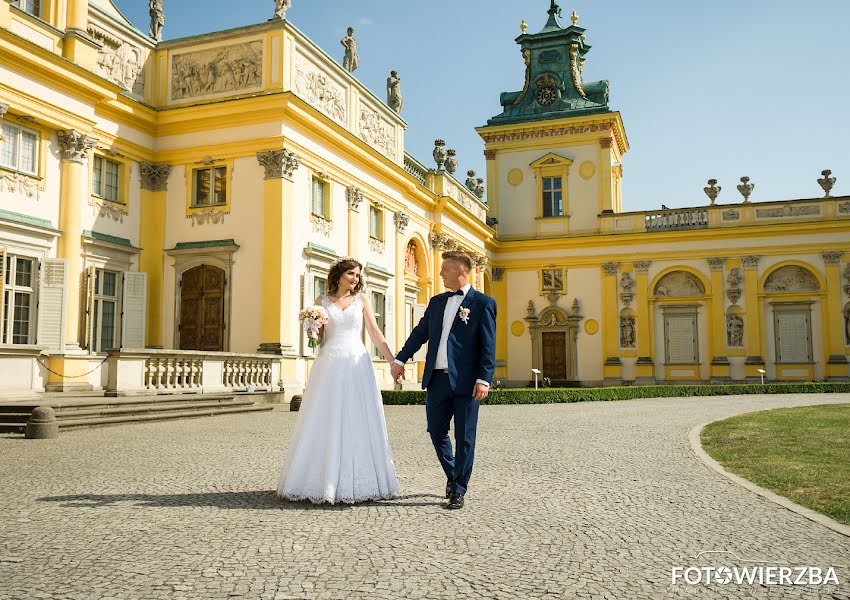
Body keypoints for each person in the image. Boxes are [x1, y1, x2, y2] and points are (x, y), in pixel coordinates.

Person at [277, 257, 398, 504]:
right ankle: (323, 480)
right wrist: (312, 328)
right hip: (329, 363)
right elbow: (317, 339)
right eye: (351, 274)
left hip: (356, 362)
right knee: (326, 417)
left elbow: (374, 332)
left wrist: (392, 360)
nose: (355, 279)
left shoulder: (362, 300)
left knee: (358, 417)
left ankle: (361, 479)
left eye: (358, 275)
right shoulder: (320, 303)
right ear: (339, 275)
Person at [391, 251, 496, 510]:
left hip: (467, 382)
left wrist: (484, 378)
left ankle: (458, 489)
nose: (440, 274)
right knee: (436, 431)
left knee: (465, 437)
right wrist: (401, 359)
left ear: (461, 271)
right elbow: (419, 334)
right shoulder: (437, 302)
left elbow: (488, 346)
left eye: (445, 269)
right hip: (437, 380)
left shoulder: (483, 303)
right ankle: (453, 475)